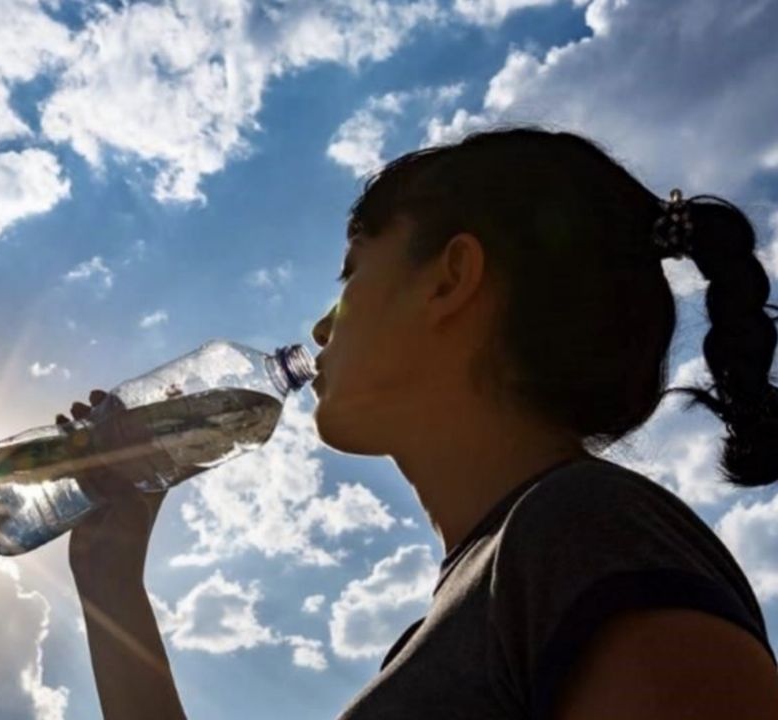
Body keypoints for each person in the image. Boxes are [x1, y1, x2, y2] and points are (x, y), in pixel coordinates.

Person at [57, 125, 778, 719]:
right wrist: (111, 585)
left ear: (449, 279)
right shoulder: (478, 601)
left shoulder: (583, 531)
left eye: (350, 270)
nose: (319, 325)